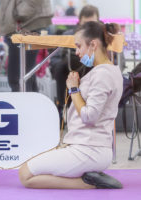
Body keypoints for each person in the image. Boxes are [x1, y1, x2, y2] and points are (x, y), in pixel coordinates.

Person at [18, 21, 123, 189]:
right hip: (91, 148)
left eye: (79, 46)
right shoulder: (109, 71)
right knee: (29, 169)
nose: (77, 52)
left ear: (93, 44)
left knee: (25, 175)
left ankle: (91, 184)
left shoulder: (103, 74)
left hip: (89, 150)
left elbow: (90, 116)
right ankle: (92, 178)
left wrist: (74, 89)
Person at [51, 5, 100, 119]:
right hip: (70, 68)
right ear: (79, 22)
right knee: (60, 68)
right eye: (85, 23)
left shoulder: (103, 37)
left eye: (92, 24)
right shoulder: (68, 35)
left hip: (96, 68)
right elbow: (56, 57)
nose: (89, 27)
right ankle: (62, 108)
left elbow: (112, 60)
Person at [0, 0, 53, 92]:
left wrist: (18, 12)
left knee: (19, 78)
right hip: (20, 26)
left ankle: (23, 105)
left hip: (25, 25)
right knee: (25, 76)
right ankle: (31, 104)